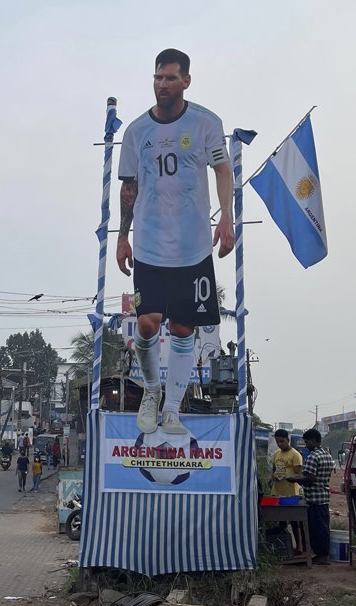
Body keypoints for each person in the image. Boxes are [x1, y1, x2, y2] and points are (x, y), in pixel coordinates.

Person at [116, 48, 234, 436]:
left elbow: (221, 170)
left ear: (186, 80)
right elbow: (129, 188)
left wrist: (227, 218)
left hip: (193, 248)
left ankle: (172, 409)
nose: (162, 84)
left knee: (184, 329)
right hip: (149, 247)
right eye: (157, 77)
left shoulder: (205, 123)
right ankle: (152, 390)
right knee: (148, 324)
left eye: (170, 78)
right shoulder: (136, 132)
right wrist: (122, 236)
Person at [287, 429, 335, 565]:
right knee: (323, 527)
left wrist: (295, 479)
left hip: (314, 498)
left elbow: (310, 478)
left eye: (307, 442)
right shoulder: (327, 454)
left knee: (316, 528)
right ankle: (323, 554)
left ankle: (321, 556)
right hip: (323, 496)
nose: (306, 445)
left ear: (313, 441)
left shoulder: (313, 456)